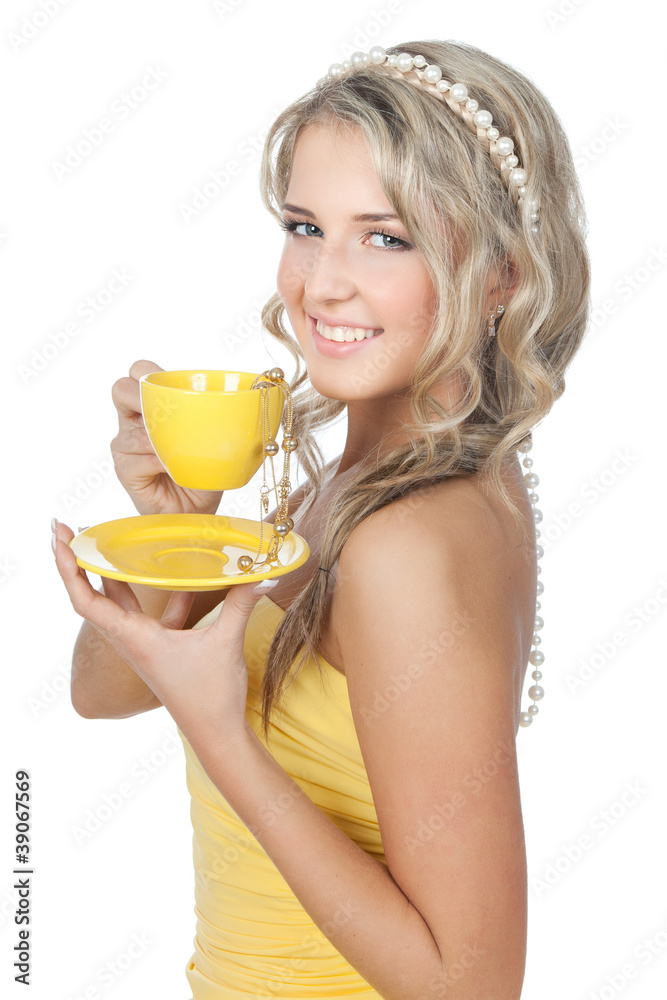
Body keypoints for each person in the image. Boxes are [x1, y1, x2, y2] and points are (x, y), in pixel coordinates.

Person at [52, 40, 590, 1000]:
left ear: (502, 274)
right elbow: (101, 693)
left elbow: (471, 987)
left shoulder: (405, 542)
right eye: (306, 226)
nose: (320, 284)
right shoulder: (359, 482)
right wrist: (180, 532)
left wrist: (221, 731)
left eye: (386, 238)